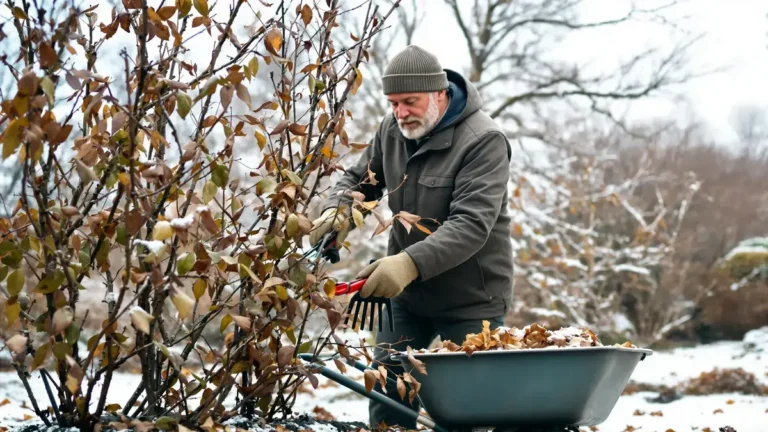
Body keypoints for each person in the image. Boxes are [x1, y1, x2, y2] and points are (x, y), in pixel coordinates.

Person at [310, 45, 515, 429]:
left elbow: (471, 224)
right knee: (389, 394)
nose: (401, 113)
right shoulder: (393, 129)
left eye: (410, 101)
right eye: (393, 103)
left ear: (439, 93)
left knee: (470, 410)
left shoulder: (483, 140)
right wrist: (336, 211)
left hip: (471, 299)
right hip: (407, 295)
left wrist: (407, 263)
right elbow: (360, 180)